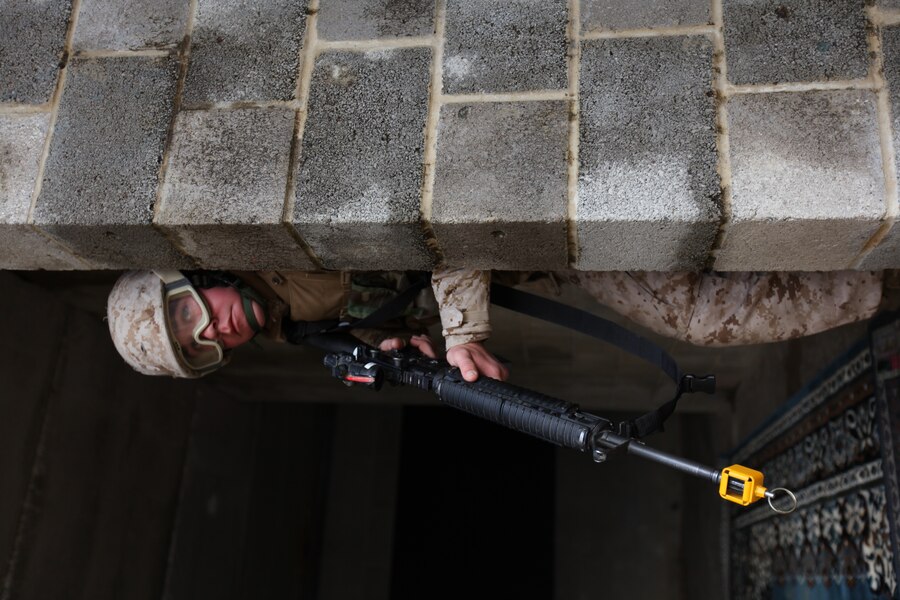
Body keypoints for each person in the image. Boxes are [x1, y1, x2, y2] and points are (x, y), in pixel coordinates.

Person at [107, 266, 891, 380]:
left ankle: (878, 284)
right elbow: (401, 291)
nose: (215, 330)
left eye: (189, 314)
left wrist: (461, 331)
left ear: (192, 276)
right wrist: (402, 335)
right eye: (201, 349)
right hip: (537, 257)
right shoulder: (292, 322)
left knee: (690, 311)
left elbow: (436, 216)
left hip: (534, 215)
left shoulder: (285, 250)